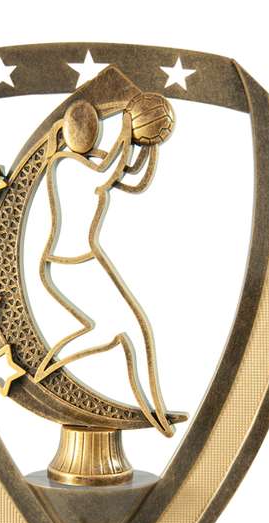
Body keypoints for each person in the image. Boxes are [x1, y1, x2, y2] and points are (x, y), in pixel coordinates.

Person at [34, 95, 175, 436]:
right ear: (75, 133)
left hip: (81, 262)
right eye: (87, 129)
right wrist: (128, 124)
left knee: (127, 331)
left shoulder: (88, 164)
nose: (91, 135)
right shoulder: (66, 165)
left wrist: (150, 144)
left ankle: (155, 412)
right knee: (122, 330)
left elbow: (132, 177)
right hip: (72, 265)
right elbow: (111, 169)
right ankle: (44, 370)